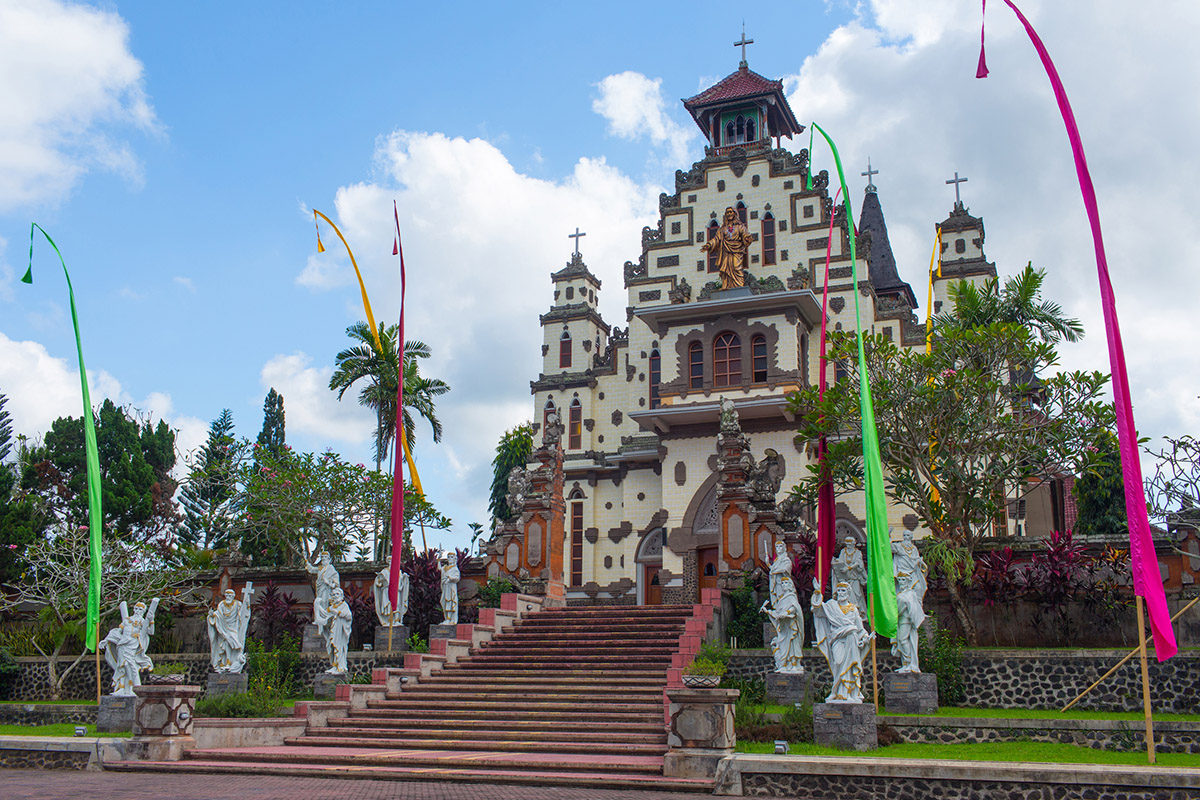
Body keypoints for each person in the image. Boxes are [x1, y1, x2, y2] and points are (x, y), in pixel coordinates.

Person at [811, 579, 874, 703]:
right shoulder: (831, 606)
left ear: (848, 593)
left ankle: (847, 693)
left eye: (843, 590)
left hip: (851, 639)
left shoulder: (853, 609)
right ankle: (836, 691)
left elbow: (860, 629)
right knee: (838, 662)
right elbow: (817, 610)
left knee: (850, 666)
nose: (841, 593)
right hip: (837, 639)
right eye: (839, 590)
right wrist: (817, 593)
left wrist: (866, 637)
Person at [99, 597, 159, 696]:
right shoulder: (127, 620)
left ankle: (134, 687)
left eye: (140, 609)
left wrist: (151, 620)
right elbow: (117, 631)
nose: (137, 611)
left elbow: (151, 632)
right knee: (122, 665)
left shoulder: (143, 622)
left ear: (143, 611)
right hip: (122, 645)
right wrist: (106, 640)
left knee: (130, 665)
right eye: (136, 609)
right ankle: (122, 687)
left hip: (133, 645)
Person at [762, 541, 805, 673]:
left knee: (792, 640)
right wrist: (768, 564)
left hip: (790, 623)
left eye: (781, 546)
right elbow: (773, 571)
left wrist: (774, 570)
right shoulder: (776, 561)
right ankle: (784, 664)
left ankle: (793, 663)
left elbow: (785, 570)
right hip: (778, 592)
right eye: (777, 547)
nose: (779, 548)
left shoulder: (786, 560)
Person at [700, 206, 753, 290]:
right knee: (725, 269)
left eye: (731, 212)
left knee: (736, 267)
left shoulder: (740, 227)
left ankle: (738, 285)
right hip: (726, 252)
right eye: (727, 212)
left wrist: (747, 238)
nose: (729, 214)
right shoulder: (722, 229)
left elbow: (746, 235)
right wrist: (709, 245)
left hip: (736, 251)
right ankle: (726, 286)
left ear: (735, 214)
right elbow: (717, 239)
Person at [206, 584, 253, 674]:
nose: (228, 597)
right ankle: (224, 663)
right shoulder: (222, 604)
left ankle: (229, 663)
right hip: (222, 628)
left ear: (233, 596)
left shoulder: (237, 604)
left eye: (230, 595)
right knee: (223, 644)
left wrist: (247, 603)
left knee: (231, 643)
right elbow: (218, 614)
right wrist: (212, 615)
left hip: (233, 628)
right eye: (227, 595)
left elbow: (244, 613)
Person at [892, 570, 927, 673]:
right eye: (900, 580)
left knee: (903, 639)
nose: (901, 582)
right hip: (900, 620)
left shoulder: (910, 594)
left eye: (903, 580)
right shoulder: (901, 594)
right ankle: (905, 664)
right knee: (901, 641)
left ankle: (909, 661)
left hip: (906, 620)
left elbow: (910, 608)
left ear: (908, 581)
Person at [314, 587, 353, 674]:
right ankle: (335, 666)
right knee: (332, 647)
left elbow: (349, 616)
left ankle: (340, 667)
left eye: (337, 594)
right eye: (334, 594)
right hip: (333, 630)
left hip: (340, 631)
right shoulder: (331, 607)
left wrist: (337, 612)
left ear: (341, 596)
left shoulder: (343, 605)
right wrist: (318, 607)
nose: (335, 596)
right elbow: (325, 615)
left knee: (338, 647)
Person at [832, 535, 868, 618]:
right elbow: (841, 561)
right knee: (844, 595)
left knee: (857, 594)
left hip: (854, 578)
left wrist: (848, 568)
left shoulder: (857, 552)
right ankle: (846, 613)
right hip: (845, 578)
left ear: (854, 544)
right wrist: (836, 561)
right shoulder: (843, 551)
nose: (848, 545)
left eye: (850, 544)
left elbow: (858, 563)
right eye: (847, 544)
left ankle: (859, 613)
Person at [891, 529, 928, 602]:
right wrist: (888, 536)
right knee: (903, 593)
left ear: (911, 537)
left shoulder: (914, 548)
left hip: (913, 572)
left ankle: (918, 605)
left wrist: (920, 562)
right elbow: (890, 547)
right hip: (903, 573)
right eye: (904, 535)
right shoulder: (899, 546)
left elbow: (917, 559)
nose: (906, 537)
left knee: (918, 588)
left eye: (908, 535)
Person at [373, 556, 410, 627]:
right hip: (386, 590)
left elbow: (401, 581)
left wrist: (404, 578)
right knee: (387, 605)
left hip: (396, 590)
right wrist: (382, 579)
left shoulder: (398, 571)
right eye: (389, 561)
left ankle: (396, 620)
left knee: (397, 604)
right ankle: (388, 621)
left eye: (392, 561)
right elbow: (378, 581)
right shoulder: (384, 571)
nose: (391, 563)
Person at [305, 550, 340, 618]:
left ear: (329, 559)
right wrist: (306, 560)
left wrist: (328, 582)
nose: (324, 558)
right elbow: (311, 569)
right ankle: (320, 617)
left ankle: (325, 616)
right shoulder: (320, 568)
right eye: (322, 557)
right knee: (319, 601)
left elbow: (336, 582)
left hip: (326, 588)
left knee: (324, 601)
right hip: (319, 588)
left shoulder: (331, 568)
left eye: (325, 557)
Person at [439, 550, 460, 626]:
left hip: (451, 588)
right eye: (448, 557)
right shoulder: (445, 568)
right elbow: (439, 569)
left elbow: (457, 578)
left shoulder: (455, 569)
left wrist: (450, 578)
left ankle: (450, 619)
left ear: (454, 559)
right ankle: (446, 618)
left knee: (450, 602)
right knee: (445, 602)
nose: (450, 559)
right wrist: (439, 559)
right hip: (445, 587)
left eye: (451, 557)